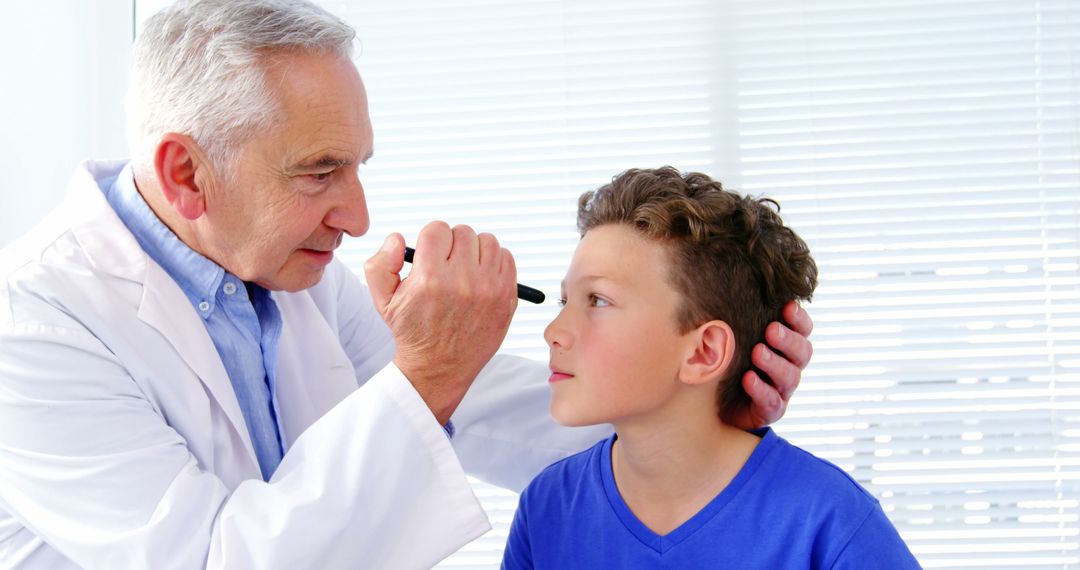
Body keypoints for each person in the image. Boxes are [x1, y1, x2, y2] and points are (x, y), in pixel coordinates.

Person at [0, 2, 813, 569]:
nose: (356, 217)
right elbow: (219, 559)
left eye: (357, 166)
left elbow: (499, 418)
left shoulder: (291, 278)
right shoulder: (35, 330)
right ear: (187, 174)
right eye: (319, 172)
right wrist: (429, 370)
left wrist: (698, 408)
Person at [501, 167, 919, 569]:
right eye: (564, 302)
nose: (554, 331)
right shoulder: (547, 509)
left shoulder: (828, 523)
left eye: (598, 300)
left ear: (704, 352)